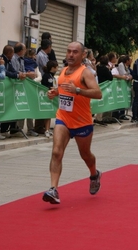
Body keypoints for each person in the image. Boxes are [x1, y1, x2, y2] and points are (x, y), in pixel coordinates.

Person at [42, 41, 102, 204]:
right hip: (63, 118)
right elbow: (63, 89)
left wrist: (78, 90)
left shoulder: (85, 73)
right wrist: (55, 92)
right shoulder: (63, 71)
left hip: (82, 121)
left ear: (83, 55)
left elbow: (98, 93)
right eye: (68, 51)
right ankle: (53, 189)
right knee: (56, 152)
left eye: (75, 52)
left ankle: (94, 174)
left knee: (85, 155)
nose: (70, 54)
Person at [41, 60, 59, 138]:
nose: (58, 68)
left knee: (51, 113)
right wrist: (49, 88)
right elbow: (44, 86)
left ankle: (48, 129)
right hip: (47, 97)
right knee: (47, 114)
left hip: (53, 96)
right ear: (53, 68)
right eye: (57, 67)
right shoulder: (46, 76)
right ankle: (46, 130)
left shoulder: (53, 77)